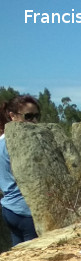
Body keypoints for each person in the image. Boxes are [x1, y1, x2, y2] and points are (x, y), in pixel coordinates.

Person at [0, 94, 41, 245]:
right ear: (12, 116)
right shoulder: (19, 145)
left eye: (37, 116)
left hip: (8, 209)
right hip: (27, 210)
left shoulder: (0, 142)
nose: (34, 121)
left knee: (20, 257)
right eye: (29, 116)